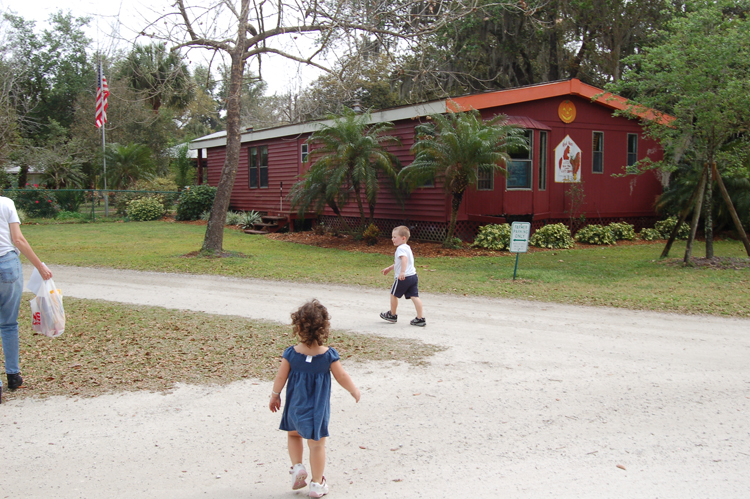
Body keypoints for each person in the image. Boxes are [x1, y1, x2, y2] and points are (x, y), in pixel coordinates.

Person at [269, 299, 360, 498]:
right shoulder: (328, 356)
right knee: (317, 444)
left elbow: (280, 377)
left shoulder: (291, 354)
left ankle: (297, 467)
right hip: (316, 411)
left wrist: (275, 396)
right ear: (323, 328)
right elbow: (341, 376)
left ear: (298, 326)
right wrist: (353, 390)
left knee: (293, 435)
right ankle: (317, 484)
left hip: (295, 407)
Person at [0, 195, 52, 404]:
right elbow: (18, 239)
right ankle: (13, 376)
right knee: (9, 324)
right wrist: (40, 266)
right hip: (8, 266)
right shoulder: (6, 203)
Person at [379, 225, 425, 326]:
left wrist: (402, 272)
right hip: (413, 276)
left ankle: (392, 314)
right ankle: (420, 318)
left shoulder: (400, 249)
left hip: (404, 277)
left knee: (393, 294)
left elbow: (404, 259)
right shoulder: (407, 247)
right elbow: (399, 263)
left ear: (403, 238)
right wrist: (389, 268)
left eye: (395, 237)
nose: (392, 239)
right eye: (392, 237)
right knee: (414, 296)